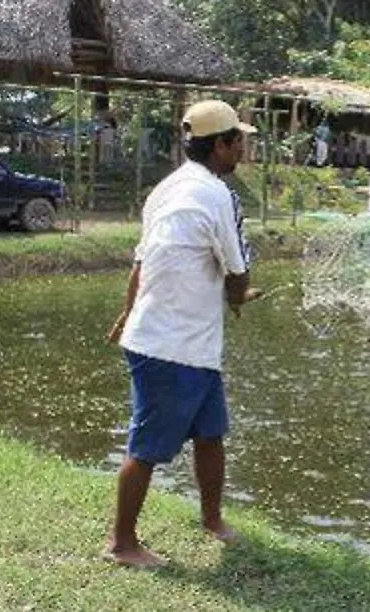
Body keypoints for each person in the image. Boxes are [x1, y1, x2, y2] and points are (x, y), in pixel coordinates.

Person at [104, 99, 261, 568]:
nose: (242, 149)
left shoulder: (165, 189)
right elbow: (237, 272)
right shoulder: (217, 195)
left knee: (211, 434)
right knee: (148, 447)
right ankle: (122, 543)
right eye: (238, 141)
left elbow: (140, 263)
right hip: (170, 347)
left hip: (187, 344)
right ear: (221, 145)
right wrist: (238, 296)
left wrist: (127, 313)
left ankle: (212, 519)